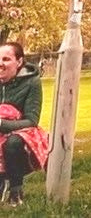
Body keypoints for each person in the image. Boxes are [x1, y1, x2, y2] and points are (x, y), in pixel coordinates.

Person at [0, 41, 49, 207]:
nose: (0, 64)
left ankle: (15, 191)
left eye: (6, 59)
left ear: (19, 62)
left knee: (12, 143)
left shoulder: (32, 82)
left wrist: (2, 123)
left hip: (23, 130)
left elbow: (32, 120)